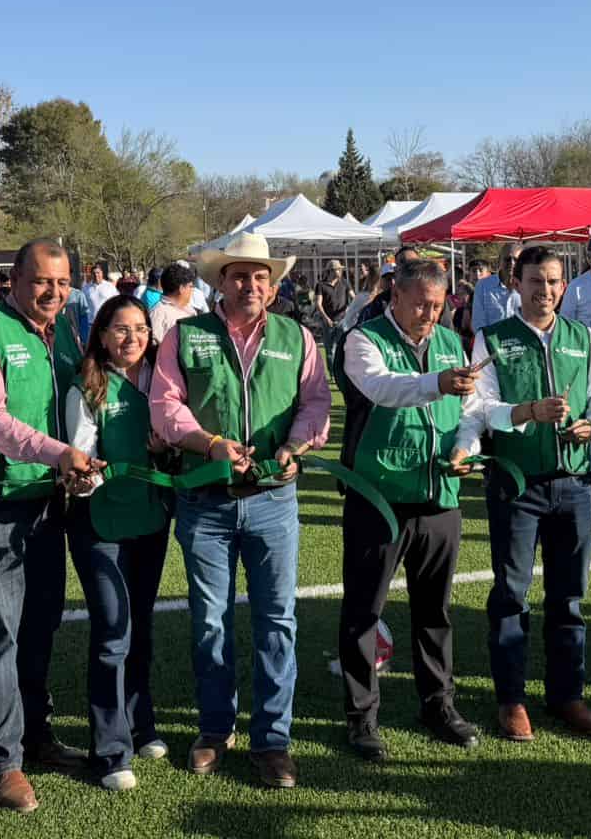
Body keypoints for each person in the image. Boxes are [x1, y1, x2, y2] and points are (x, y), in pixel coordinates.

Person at [148, 232, 330, 789]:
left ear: (272, 286)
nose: (250, 285)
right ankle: (214, 727)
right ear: (219, 282)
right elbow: (164, 404)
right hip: (204, 499)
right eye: (239, 275)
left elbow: (315, 402)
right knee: (210, 620)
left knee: (277, 620)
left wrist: (294, 447)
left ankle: (272, 739)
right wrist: (207, 443)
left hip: (273, 501)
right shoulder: (185, 335)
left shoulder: (298, 337)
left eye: (260, 277)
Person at [0, 241, 100, 813]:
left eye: (62, 283)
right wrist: (59, 453)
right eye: (41, 281)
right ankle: (0, 759)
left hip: (48, 501)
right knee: (3, 632)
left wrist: (81, 460)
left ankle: (35, 735)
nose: (53, 292)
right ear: (13, 278)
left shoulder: (63, 332)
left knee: (41, 623)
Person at [459, 247, 591, 741]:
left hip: (572, 485)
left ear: (564, 284)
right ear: (516, 282)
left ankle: (566, 695)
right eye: (535, 281)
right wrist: (526, 412)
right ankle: (511, 700)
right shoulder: (492, 338)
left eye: (552, 281)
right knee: (511, 594)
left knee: (569, 596)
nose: (544, 291)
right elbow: (478, 407)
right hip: (516, 483)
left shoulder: (583, 337)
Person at [337, 259, 481, 760]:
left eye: (438, 305)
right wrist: (438, 382)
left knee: (434, 611)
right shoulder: (362, 339)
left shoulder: (449, 342)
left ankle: (437, 704)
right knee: (363, 611)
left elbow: (471, 413)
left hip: (439, 495)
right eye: (420, 302)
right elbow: (382, 388)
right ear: (394, 296)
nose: (429, 313)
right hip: (379, 495)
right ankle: (361, 717)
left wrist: (467, 449)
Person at [63, 295, 172, 791]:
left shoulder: (162, 380)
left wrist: (165, 451)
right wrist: (89, 474)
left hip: (150, 519)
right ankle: (109, 749)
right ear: (102, 334)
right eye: (121, 329)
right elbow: (80, 456)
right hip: (100, 522)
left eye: (141, 329)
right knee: (113, 632)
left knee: (141, 628)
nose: (133, 339)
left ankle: (140, 723)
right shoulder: (87, 386)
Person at [470, 245, 523, 333]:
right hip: (491, 343)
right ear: (499, 261)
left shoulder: (528, 286)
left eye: (516, 260)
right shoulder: (483, 286)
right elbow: (478, 324)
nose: (512, 263)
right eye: (507, 259)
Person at [149, 264, 199, 343]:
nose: (192, 290)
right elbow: (154, 345)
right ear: (181, 289)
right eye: (190, 286)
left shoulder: (190, 310)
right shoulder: (158, 313)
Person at [81, 263, 117, 331]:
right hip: (91, 323)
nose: (96, 275)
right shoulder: (85, 288)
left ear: (102, 273)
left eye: (98, 273)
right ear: (91, 274)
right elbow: (82, 306)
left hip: (106, 323)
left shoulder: (110, 287)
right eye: (94, 273)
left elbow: (116, 303)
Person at [315, 260, 351, 327]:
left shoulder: (345, 283)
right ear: (330, 271)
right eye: (338, 269)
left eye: (341, 269)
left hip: (343, 321)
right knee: (328, 337)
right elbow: (318, 304)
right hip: (328, 321)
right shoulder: (321, 285)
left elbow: (354, 298)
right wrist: (326, 318)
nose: (341, 271)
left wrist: (349, 310)